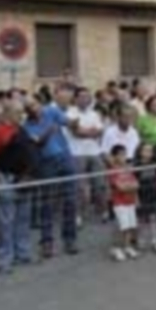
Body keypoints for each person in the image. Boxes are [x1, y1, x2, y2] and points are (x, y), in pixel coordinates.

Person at [23, 93, 80, 258]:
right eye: (29, 107)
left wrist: (74, 123)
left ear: (39, 103)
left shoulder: (51, 111)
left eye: (35, 105)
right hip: (47, 163)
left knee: (70, 200)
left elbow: (68, 123)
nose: (34, 109)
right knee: (47, 203)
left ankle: (70, 239)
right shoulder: (27, 125)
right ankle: (46, 242)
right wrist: (49, 131)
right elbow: (37, 142)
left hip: (65, 158)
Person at [0, 101, 37, 274]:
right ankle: (4, 258)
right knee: (5, 221)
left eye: (22, 112)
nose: (21, 115)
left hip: (24, 178)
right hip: (6, 178)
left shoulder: (21, 130)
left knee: (23, 218)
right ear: (7, 113)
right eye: (17, 112)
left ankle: (22, 253)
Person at [66, 87, 107, 221]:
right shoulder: (70, 113)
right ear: (76, 98)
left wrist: (86, 132)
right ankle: (78, 214)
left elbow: (100, 131)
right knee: (79, 187)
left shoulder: (94, 114)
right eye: (82, 96)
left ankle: (102, 211)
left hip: (94, 151)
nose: (85, 99)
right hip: (77, 153)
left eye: (87, 96)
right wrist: (91, 132)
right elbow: (76, 132)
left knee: (100, 183)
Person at [106, 145, 140, 262]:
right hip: (119, 203)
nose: (123, 157)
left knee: (130, 226)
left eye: (124, 154)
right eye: (120, 154)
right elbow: (119, 187)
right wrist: (128, 186)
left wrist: (129, 187)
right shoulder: (113, 171)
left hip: (130, 201)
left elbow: (136, 184)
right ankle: (115, 248)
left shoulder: (128, 169)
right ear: (114, 157)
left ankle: (127, 246)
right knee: (121, 226)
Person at [134, 143, 156, 253]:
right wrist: (136, 198)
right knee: (141, 219)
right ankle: (141, 241)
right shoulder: (136, 166)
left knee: (153, 218)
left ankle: (155, 241)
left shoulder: (155, 164)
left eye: (150, 151)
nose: (149, 153)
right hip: (142, 193)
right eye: (146, 150)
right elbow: (135, 182)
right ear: (140, 152)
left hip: (153, 192)